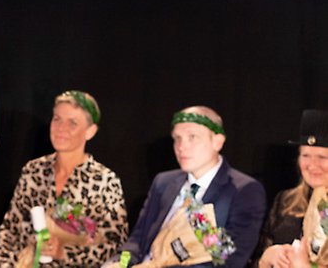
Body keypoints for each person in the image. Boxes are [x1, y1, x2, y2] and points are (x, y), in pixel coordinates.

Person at [109, 105, 266, 268]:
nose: (182, 146)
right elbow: (137, 241)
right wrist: (120, 263)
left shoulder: (243, 190)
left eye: (192, 137)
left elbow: (228, 261)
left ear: (217, 141)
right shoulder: (163, 182)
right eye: (177, 138)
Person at [0, 90, 127, 267]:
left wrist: (64, 253)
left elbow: (115, 245)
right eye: (57, 119)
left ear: (90, 131)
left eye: (72, 123)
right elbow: (10, 232)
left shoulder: (104, 181)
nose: (61, 128)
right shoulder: (34, 171)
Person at [255, 109, 328, 268]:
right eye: (306, 155)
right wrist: (266, 258)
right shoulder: (286, 201)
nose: (312, 165)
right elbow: (256, 258)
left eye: (322, 157)